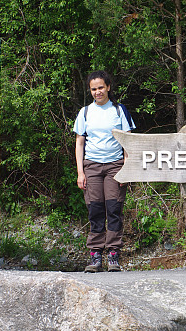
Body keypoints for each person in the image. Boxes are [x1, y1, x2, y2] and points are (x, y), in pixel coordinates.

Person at [73, 70, 136, 272]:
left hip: (115, 166)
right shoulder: (85, 113)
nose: (97, 92)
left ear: (108, 87)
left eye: (101, 87)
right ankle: (95, 256)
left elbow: (128, 142)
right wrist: (80, 172)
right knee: (95, 210)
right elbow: (79, 143)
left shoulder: (119, 110)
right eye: (93, 89)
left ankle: (114, 255)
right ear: (90, 91)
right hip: (91, 166)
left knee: (114, 209)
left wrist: (127, 169)